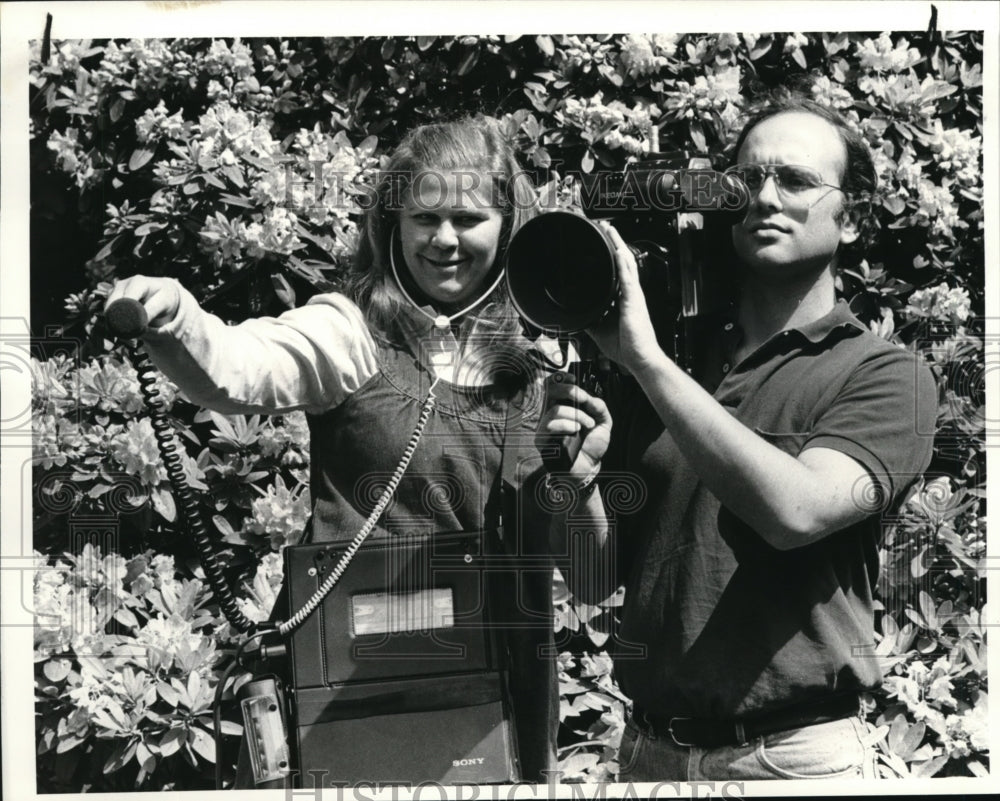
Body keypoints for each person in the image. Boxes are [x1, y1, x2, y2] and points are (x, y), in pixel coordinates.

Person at [106, 116, 558, 782]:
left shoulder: (540, 357)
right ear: (392, 225)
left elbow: (588, 551)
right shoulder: (348, 331)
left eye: (468, 218)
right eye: (424, 218)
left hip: (507, 703)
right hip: (363, 699)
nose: (444, 239)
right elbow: (240, 364)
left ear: (508, 223)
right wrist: (178, 317)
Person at [536, 92, 938, 781]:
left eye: (797, 180)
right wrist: (577, 488)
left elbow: (797, 511)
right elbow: (595, 576)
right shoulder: (673, 370)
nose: (765, 197)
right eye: (747, 180)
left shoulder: (881, 373)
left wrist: (646, 360)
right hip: (650, 753)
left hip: (794, 761)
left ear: (853, 219)